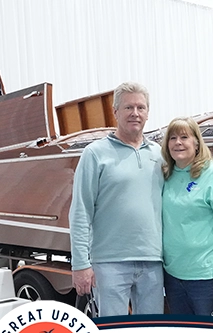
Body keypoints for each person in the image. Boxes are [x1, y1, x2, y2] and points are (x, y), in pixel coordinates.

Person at [69, 82, 165, 317]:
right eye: (128, 107)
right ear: (115, 112)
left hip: (152, 261)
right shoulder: (95, 154)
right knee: (114, 332)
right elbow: (81, 211)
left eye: (141, 107)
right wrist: (80, 264)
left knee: (152, 332)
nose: (135, 113)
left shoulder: (159, 154)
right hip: (109, 263)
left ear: (148, 113)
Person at [161, 117, 213, 317]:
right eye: (172, 138)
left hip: (206, 277)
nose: (178, 143)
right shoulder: (166, 176)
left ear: (197, 143)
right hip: (173, 275)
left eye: (184, 137)